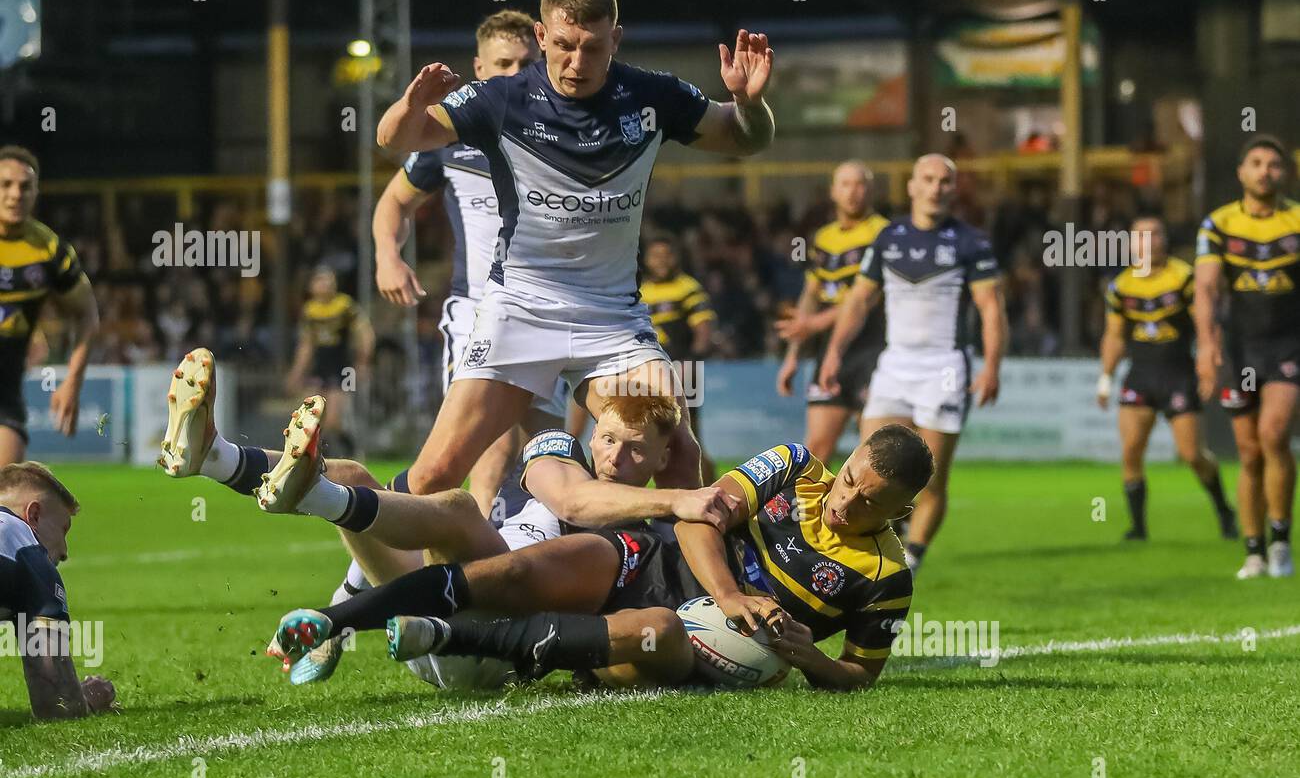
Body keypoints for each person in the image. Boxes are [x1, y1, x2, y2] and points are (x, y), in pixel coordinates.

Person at [374, 0, 776, 501]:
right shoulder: (503, 98)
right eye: (563, 45)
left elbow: (744, 141)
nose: (576, 62)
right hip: (519, 308)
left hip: (610, 321)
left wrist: (749, 105)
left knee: (679, 454)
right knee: (435, 475)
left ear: (616, 38)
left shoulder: (652, 97)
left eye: (592, 47)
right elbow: (393, 138)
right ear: (541, 36)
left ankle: (681, 585)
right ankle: (402, 573)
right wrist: (408, 103)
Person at [268, 425, 933, 692]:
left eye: (869, 503)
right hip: (655, 560)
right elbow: (700, 514)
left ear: (899, 513)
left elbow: (857, 674)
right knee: (521, 569)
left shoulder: (886, 578)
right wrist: (732, 592)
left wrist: (807, 656)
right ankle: (339, 620)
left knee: (658, 629)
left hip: (705, 641)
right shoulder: (793, 465)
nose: (845, 503)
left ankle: (446, 633)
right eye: (849, 479)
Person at [250, 389, 736, 687]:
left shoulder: (648, 536)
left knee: (456, 507)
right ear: (590, 436)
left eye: (635, 450)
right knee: (357, 475)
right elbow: (568, 495)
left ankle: (314, 503)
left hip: (493, 643)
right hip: (422, 621)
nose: (615, 458)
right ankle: (220, 458)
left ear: (660, 458)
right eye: (608, 440)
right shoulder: (555, 463)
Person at [373, 9, 569, 517]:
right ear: (479, 68)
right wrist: (387, 256)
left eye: (526, 61)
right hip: (479, 310)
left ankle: (546, 565)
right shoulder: (453, 137)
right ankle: (466, 567)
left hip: (551, 312)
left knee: (552, 448)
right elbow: (394, 201)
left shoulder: (564, 129)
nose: (515, 72)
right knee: (490, 441)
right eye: (502, 62)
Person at [818, 154, 1008, 576]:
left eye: (945, 181)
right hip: (894, 365)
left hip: (945, 368)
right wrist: (833, 352)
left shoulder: (970, 241)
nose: (936, 188)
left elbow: (991, 308)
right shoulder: (889, 237)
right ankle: (863, 552)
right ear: (912, 186)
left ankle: (911, 559)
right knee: (865, 470)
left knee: (931, 478)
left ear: (953, 189)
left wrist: (992, 366)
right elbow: (860, 300)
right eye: (928, 179)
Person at [1194, 134, 1300, 579]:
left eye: (1273, 164)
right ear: (1241, 172)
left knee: (1274, 433)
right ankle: (1254, 550)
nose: (1264, 171)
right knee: (1249, 451)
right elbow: (1205, 287)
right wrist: (1207, 342)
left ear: (1284, 173)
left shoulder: (1296, 220)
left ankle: (1280, 541)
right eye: (1256, 163)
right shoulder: (1218, 225)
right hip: (1240, 351)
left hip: (1287, 346)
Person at [1098, 215, 1236, 540]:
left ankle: (1223, 508)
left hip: (1178, 375)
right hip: (1140, 375)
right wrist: (1105, 378)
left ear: (1164, 239)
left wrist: (1208, 361)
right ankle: (1138, 528)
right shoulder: (1121, 286)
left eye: (1154, 234)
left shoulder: (1184, 278)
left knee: (1192, 455)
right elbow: (1114, 336)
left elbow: (1205, 324)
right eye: (1141, 236)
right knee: (1131, 450)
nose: (1148, 241)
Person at [776, 160, 890, 463]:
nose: (853, 192)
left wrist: (814, 324)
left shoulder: (884, 234)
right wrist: (792, 357)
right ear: (833, 192)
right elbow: (811, 294)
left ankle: (896, 510)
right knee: (816, 449)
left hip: (876, 347)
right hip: (833, 353)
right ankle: (812, 511)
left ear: (871, 190)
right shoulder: (824, 238)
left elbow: (869, 297)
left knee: (878, 453)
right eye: (846, 184)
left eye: (860, 184)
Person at [0, 145, 100, 465]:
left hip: (5, 401)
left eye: (25, 186)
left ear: (36, 192)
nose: (16, 194)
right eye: (6, 185)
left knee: (5, 502)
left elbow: (87, 315)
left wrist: (73, 381)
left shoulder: (50, 252)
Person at [0, 461, 115, 720]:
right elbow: (58, 705)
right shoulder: (26, 548)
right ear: (35, 515)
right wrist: (89, 697)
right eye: (63, 530)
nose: (64, 551)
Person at [636, 234, 716, 481]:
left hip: (683, 367)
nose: (661, 261)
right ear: (646, 260)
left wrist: (694, 358)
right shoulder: (640, 291)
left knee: (689, 433)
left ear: (676, 258)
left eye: (666, 255)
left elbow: (703, 327)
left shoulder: (687, 286)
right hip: (647, 370)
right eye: (655, 256)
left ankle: (709, 486)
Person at [285, 268, 374, 458]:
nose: (325, 284)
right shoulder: (310, 311)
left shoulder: (345, 305)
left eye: (328, 280)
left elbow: (364, 333)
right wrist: (297, 373)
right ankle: (319, 456)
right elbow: (306, 345)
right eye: (319, 280)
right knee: (314, 417)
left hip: (344, 368)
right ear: (311, 286)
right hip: (320, 369)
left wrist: (363, 362)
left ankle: (352, 448)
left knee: (335, 419)